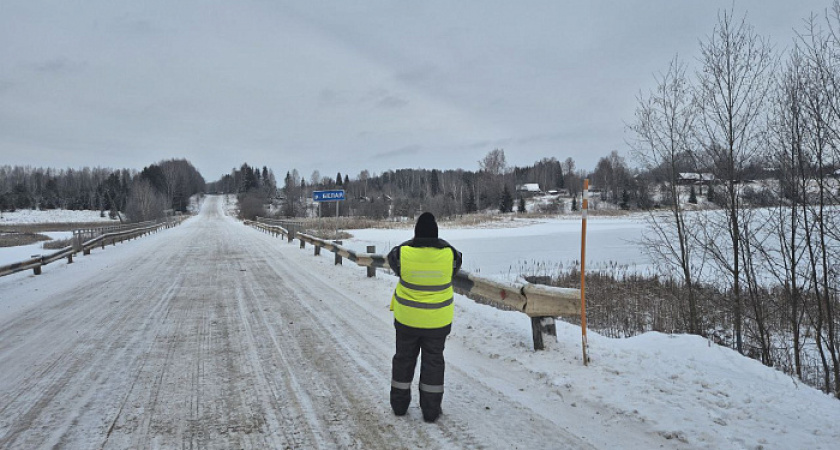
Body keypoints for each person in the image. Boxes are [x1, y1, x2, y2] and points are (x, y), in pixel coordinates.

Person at [387, 212, 462, 423]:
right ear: (437, 235)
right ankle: (430, 411)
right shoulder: (449, 255)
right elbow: (457, 260)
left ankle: (399, 406)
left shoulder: (403, 253)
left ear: (415, 234)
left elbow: (392, 258)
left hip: (407, 320)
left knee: (403, 359)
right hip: (437, 321)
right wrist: (439, 243)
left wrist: (414, 242)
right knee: (434, 362)